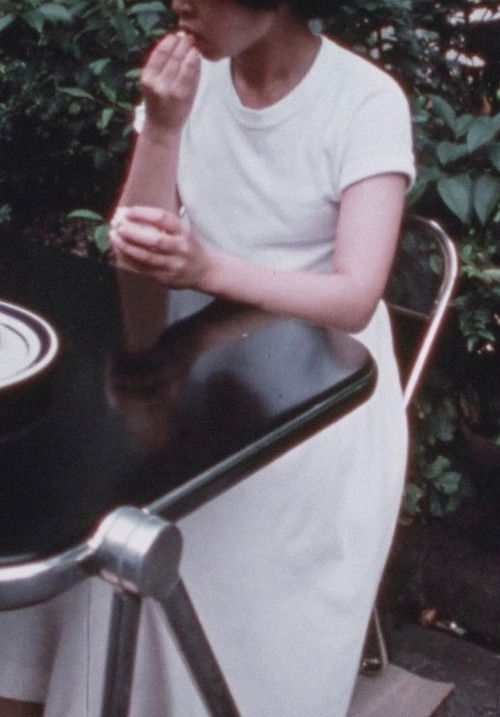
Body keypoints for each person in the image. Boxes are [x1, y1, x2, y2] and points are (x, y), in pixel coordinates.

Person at [0, 1, 414, 715]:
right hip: (196, 358)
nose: (177, 2)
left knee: (152, 532)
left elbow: (354, 296)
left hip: (322, 394)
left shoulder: (367, 100)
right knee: (75, 509)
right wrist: (163, 127)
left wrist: (206, 267)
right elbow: (136, 251)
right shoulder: (193, 82)